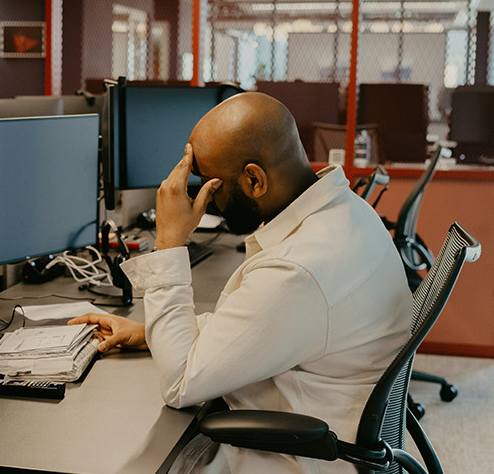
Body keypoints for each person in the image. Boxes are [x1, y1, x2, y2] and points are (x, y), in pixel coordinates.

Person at [70, 92, 411, 473]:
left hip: (299, 458)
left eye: (211, 185)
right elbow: (258, 323)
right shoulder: (345, 211)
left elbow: (181, 384)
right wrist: (151, 331)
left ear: (254, 180)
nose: (202, 199)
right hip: (324, 431)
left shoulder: (297, 270)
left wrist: (168, 242)